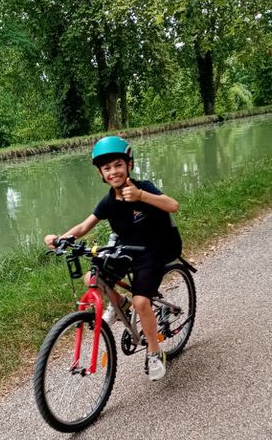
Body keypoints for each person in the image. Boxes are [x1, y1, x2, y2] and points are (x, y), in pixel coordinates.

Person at [44, 136, 182, 381]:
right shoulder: (108, 201)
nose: (113, 171)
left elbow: (173, 205)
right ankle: (119, 304)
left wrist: (141, 196)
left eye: (118, 164)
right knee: (91, 278)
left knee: (142, 303)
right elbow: (85, 226)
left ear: (129, 164)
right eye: (106, 168)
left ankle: (154, 352)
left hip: (154, 249)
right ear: (101, 173)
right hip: (126, 249)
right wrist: (60, 238)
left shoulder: (144, 188)